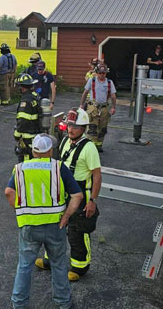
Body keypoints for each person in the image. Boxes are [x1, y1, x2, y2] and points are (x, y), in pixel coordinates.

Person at [5, 134, 83, 309]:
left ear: (33, 151)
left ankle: (19, 303)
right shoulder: (58, 168)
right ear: (50, 151)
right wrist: (66, 216)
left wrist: (20, 212)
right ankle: (64, 302)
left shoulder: (20, 168)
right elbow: (77, 195)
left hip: (29, 226)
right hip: (56, 225)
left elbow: (9, 192)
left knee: (24, 265)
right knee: (58, 264)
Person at [35, 108, 102, 281]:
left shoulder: (89, 148)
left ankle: (80, 267)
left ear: (84, 128)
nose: (71, 129)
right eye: (69, 125)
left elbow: (97, 175)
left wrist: (92, 201)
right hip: (63, 192)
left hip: (80, 195)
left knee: (77, 231)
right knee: (55, 228)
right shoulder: (65, 141)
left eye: (75, 126)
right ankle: (50, 260)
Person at [79, 64, 117, 152]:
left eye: (104, 73)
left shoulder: (109, 82)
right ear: (96, 73)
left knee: (102, 128)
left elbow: (113, 96)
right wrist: (81, 104)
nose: (102, 75)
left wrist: (113, 107)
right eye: (100, 73)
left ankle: (99, 145)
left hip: (104, 108)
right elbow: (85, 92)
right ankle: (91, 146)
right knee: (92, 127)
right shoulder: (91, 81)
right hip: (93, 107)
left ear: (106, 73)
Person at [13, 73, 41, 162]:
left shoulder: (25, 102)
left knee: (26, 163)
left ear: (23, 88)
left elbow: (23, 121)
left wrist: (16, 134)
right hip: (36, 135)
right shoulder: (35, 96)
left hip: (27, 138)